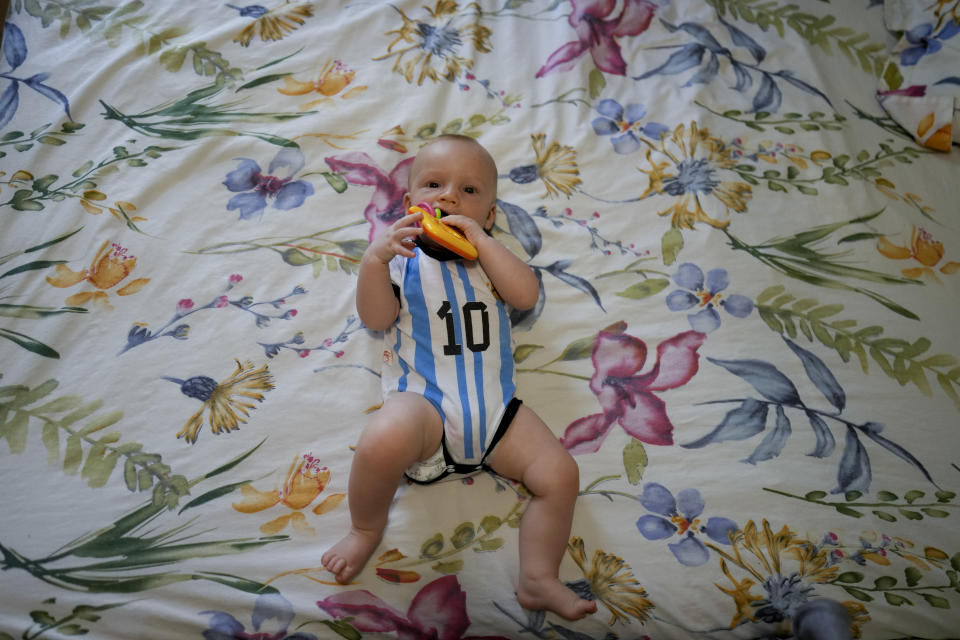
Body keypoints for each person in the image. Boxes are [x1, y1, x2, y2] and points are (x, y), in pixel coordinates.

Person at [322, 135, 597, 621]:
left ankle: (537, 577)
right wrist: (374, 259)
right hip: (423, 404)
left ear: (489, 215)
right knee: (382, 441)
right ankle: (365, 529)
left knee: (560, 474)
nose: (449, 196)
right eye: (434, 184)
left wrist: (485, 244)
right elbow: (376, 317)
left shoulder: (490, 260)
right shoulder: (402, 260)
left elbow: (527, 295)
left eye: (469, 191)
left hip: (497, 414)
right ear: (409, 205)